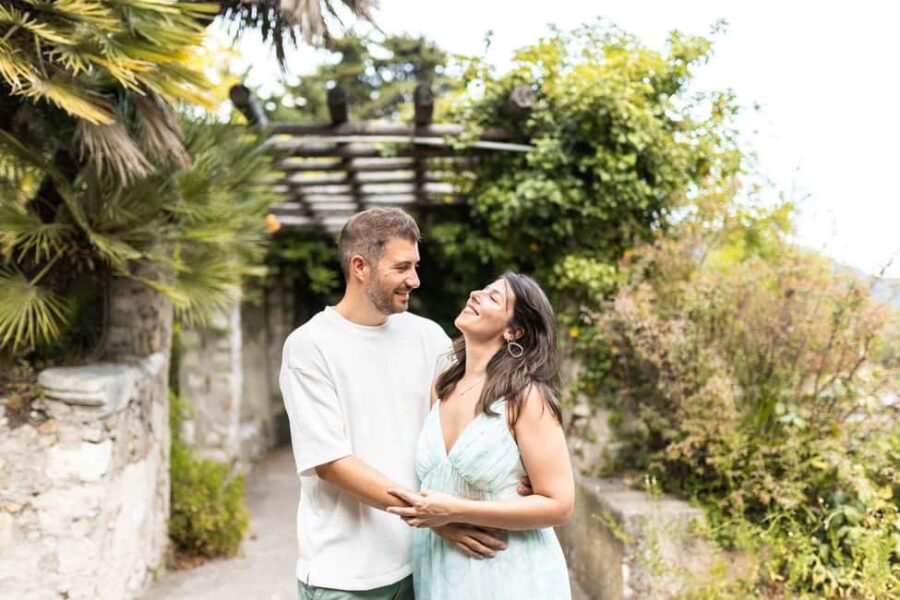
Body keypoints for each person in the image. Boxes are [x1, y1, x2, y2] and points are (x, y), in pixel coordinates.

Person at [279, 207, 515, 600]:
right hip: (346, 575)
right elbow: (332, 463)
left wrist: (512, 472)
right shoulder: (309, 346)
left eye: (416, 266)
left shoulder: (428, 337)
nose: (415, 280)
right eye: (402, 267)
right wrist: (431, 518)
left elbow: (465, 420)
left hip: (424, 562)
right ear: (360, 266)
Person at [387, 273, 575, 600]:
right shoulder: (442, 388)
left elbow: (559, 505)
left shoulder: (526, 397)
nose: (475, 294)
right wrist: (439, 518)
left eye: (493, 298)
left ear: (513, 331)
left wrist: (456, 511)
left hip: (511, 573)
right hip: (442, 570)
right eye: (482, 290)